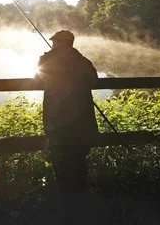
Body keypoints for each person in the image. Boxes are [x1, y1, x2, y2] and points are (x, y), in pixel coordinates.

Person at [36, 30, 99, 196]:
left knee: (60, 157)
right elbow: (94, 79)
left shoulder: (47, 60)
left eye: (55, 41)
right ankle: (81, 195)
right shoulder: (82, 61)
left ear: (63, 43)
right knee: (79, 157)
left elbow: (38, 78)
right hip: (82, 120)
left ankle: (66, 198)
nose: (53, 44)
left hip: (57, 120)